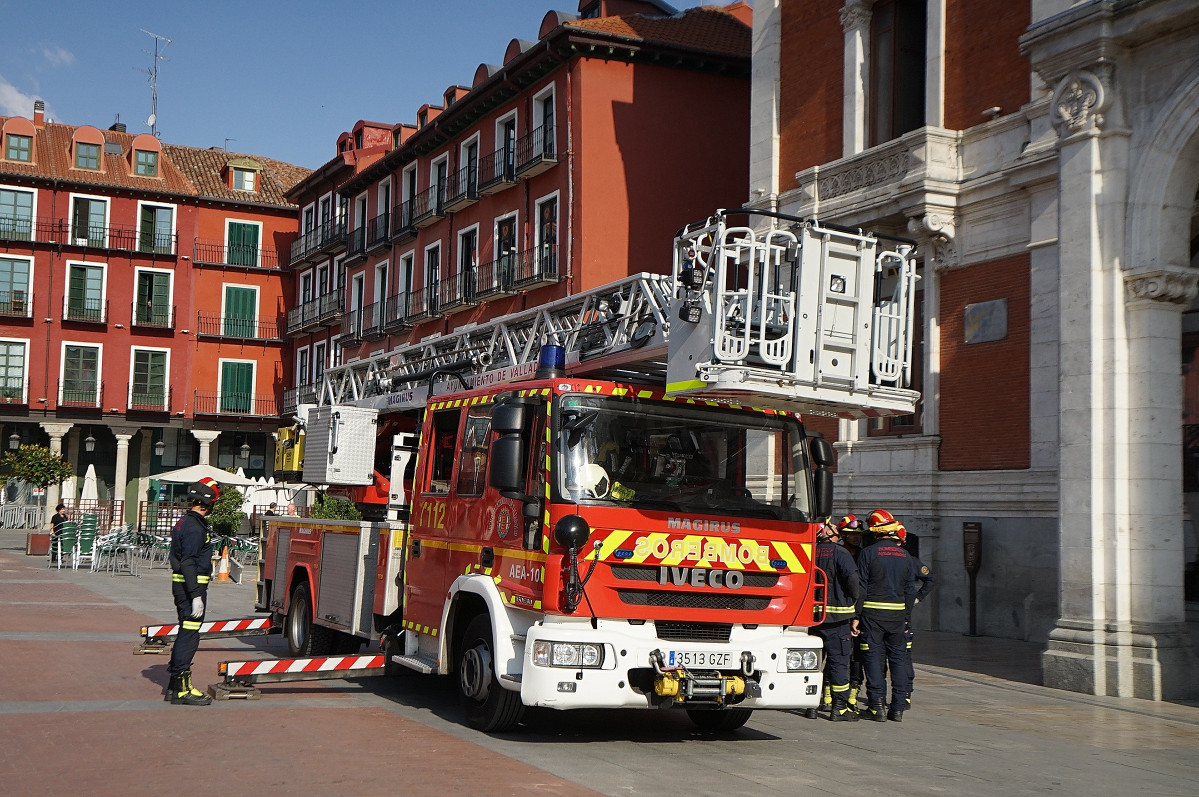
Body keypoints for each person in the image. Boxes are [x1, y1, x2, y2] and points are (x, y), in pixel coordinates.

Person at [853, 508, 916, 722]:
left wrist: (856, 616)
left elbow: (861, 587)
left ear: (875, 532)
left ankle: (876, 706)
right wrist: (907, 616)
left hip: (872, 615)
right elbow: (910, 589)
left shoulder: (868, 553)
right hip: (897, 616)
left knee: (873, 658)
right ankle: (897, 708)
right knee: (898, 660)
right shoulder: (905, 555)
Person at [166, 477, 220, 706]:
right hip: (190, 590)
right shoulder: (195, 528)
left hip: (184, 588)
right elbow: (188, 562)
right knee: (189, 636)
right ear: (208, 503)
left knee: (185, 633)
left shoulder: (184, 522)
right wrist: (196, 595)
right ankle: (181, 690)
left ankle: (173, 687)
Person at [809, 517, 861, 721]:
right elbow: (852, 579)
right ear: (827, 531)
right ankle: (839, 707)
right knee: (839, 661)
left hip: (813, 617)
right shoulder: (841, 553)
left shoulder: (812, 551)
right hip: (837, 618)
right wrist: (854, 599)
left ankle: (811, 706)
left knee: (814, 662)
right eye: (832, 526)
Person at [895, 522, 935, 711]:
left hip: (897, 615)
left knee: (901, 656)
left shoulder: (911, 561)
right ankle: (903, 694)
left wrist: (918, 598)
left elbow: (930, 579)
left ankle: (904, 694)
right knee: (902, 656)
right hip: (897, 616)